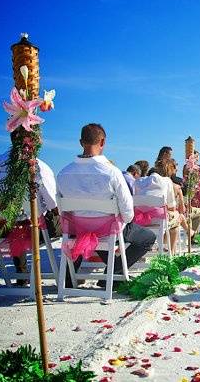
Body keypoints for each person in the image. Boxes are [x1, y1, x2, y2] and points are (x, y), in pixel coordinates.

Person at [57, 123, 155, 288]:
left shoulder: (63, 174)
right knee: (147, 238)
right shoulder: (112, 172)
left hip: (78, 230)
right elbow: (128, 213)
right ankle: (111, 274)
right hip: (108, 231)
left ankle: (69, 279)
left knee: (86, 229)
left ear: (81, 142)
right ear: (102, 142)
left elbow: (62, 211)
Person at [0, 142, 60, 286]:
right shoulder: (39, 167)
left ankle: (22, 274)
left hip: (1, 232)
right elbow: (53, 205)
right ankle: (71, 275)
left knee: (14, 222)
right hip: (35, 232)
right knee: (68, 222)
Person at [136, 164, 181, 252]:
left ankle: (141, 255)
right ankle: (172, 252)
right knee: (177, 218)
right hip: (159, 221)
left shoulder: (138, 181)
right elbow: (172, 207)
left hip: (139, 221)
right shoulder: (166, 181)